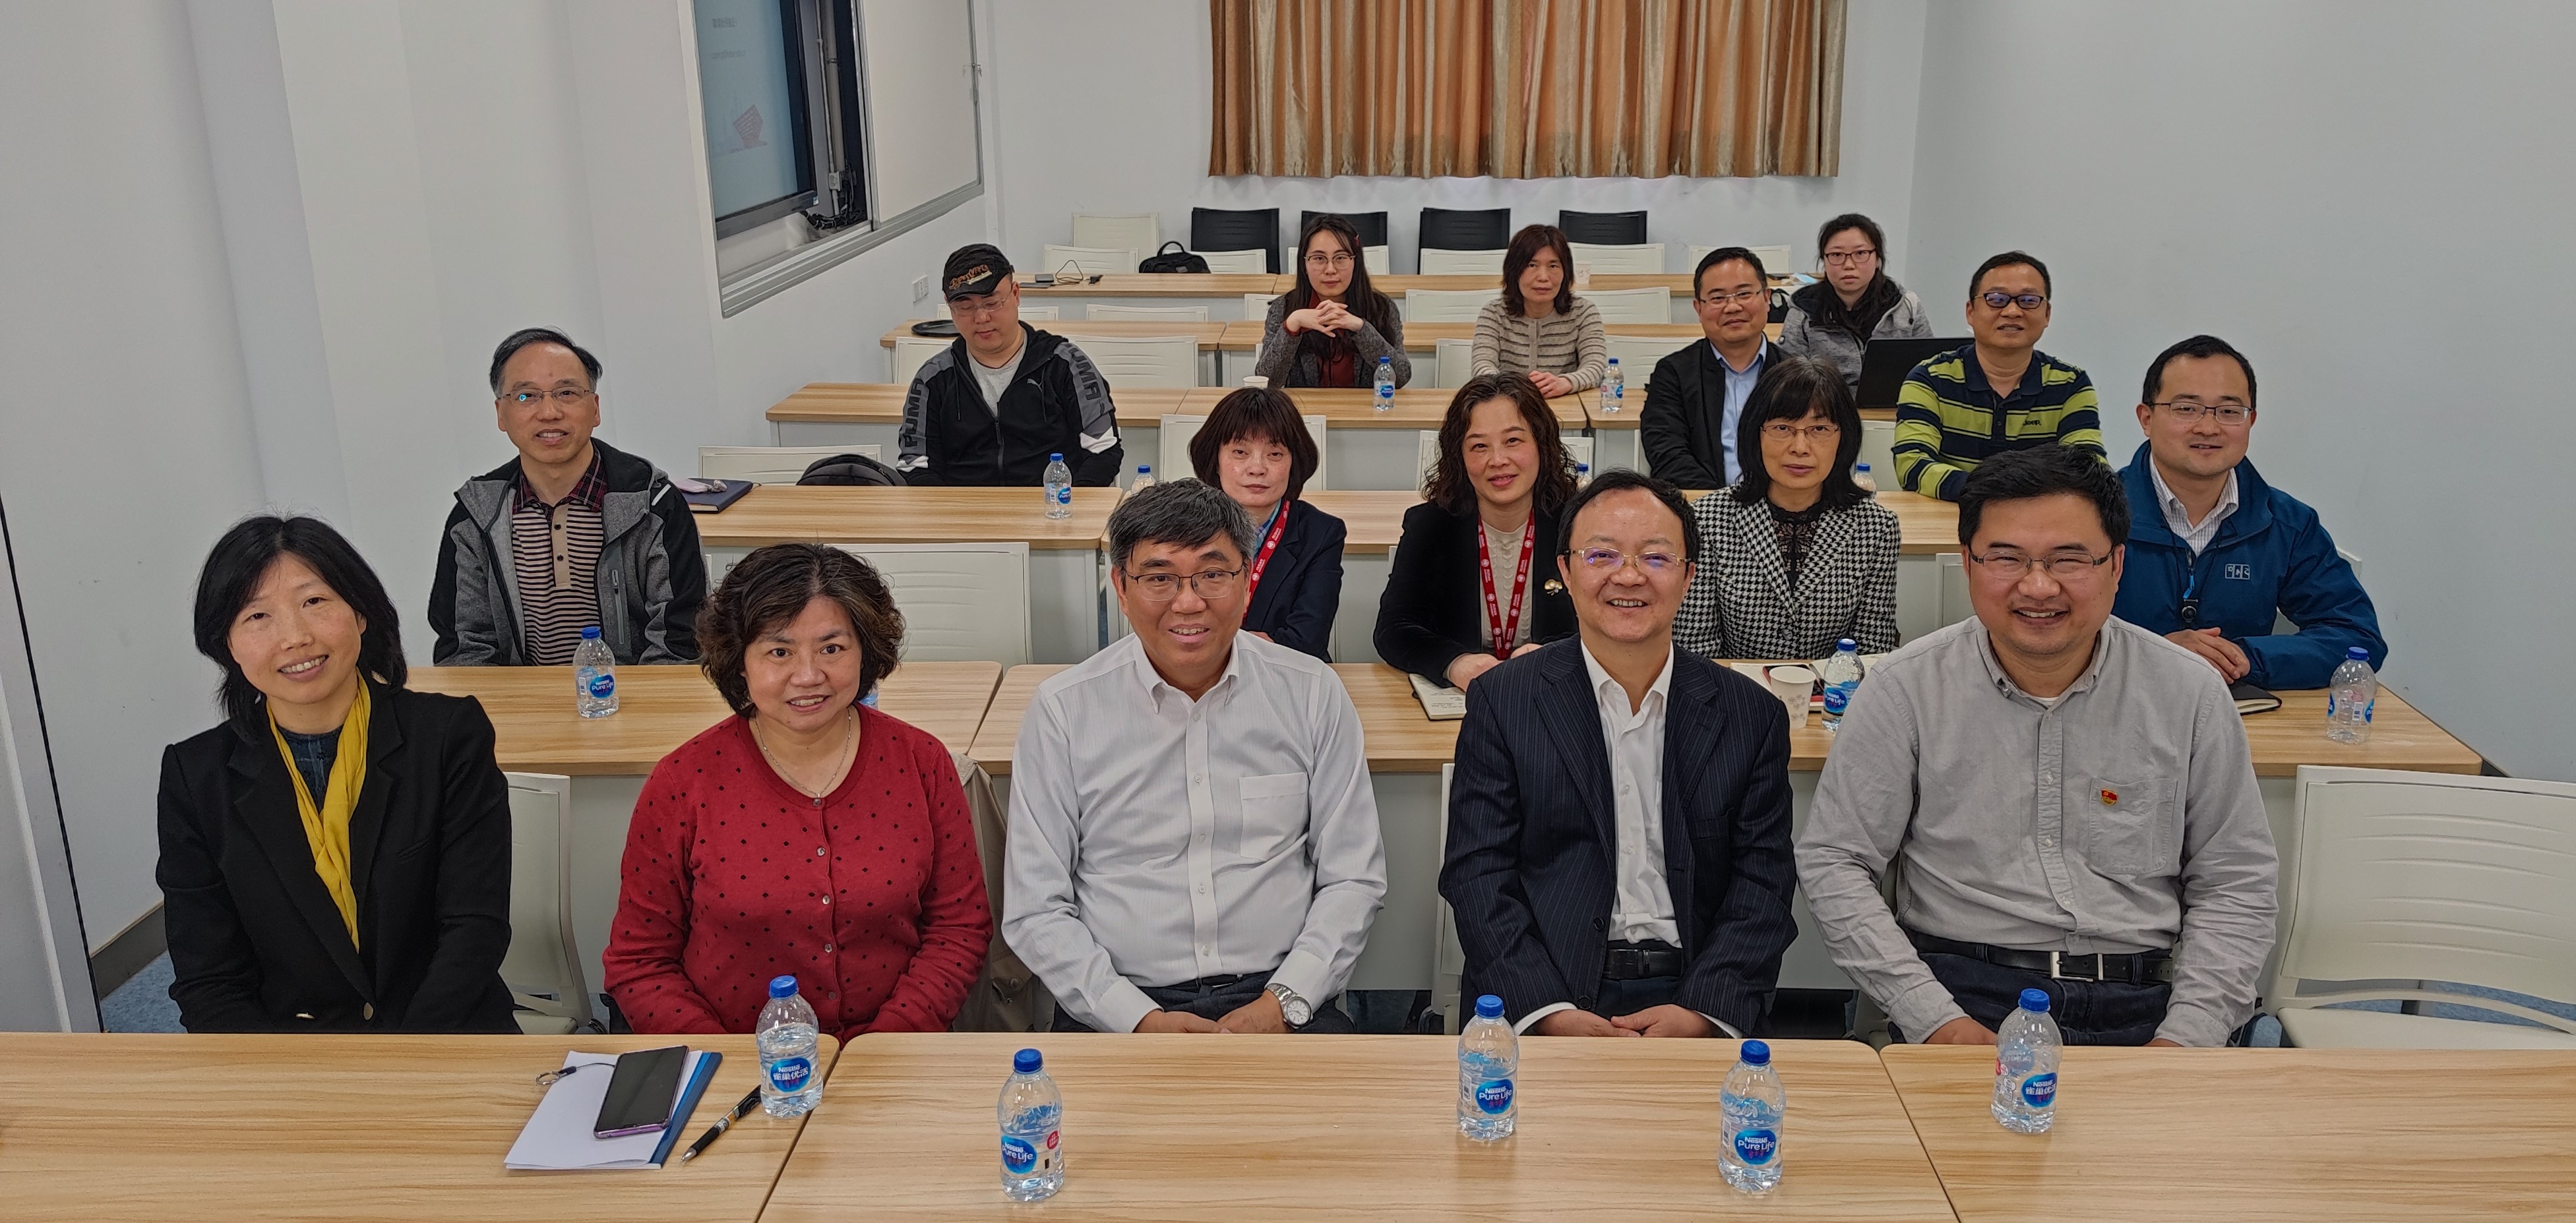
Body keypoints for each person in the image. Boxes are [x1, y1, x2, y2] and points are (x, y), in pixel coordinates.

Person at [1797, 446, 2277, 1047]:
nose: (2039, 585)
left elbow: (2236, 881)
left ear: (2117, 564)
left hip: (2147, 1003)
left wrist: (2188, 1036)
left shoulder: (2189, 692)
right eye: (2006, 557)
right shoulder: (1904, 689)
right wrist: (1934, 1019)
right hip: (1964, 993)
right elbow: (1836, 861)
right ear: (1968, 562)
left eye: (2069, 559)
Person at [1004, 481, 1386, 1034]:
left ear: (1246, 579)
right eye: (1159, 578)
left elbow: (1353, 878)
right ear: (1121, 586)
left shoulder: (1311, 692)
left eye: (1212, 574)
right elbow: (1037, 906)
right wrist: (1137, 1018)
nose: (1188, 601)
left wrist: (1283, 1002)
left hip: (1280, 992)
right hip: (1119, 1003)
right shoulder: (1064, 710)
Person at [1442, 471, 1798, 1037]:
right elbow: (1478, 874)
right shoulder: (1504, 700)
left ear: (1689, 576)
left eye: (1656, 557)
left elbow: (1764, 884)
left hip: (1695, 990)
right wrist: (1547, 1011)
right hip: (1545, 990)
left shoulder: (1751, 714)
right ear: (1565, 571)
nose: (1628, 576)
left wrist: (1703, 1012)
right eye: (1601, 554)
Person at [604, 544, 991, 1040]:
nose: (808, 676)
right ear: (739, 661)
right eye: (779, 652)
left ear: (866, 651)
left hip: (895, 1057)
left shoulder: (922, 761)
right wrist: (727, 1062)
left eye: (832, 649)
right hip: (732, 1060)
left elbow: (959, 929)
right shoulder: (682, 781)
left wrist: (885, 1047)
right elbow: (639, 961)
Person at [158, 516, 514, 1032]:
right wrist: (291, 1075)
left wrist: (407, 1059)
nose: (295, 637)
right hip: (292, 1055)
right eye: (257, 615)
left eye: (314, 601)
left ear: (361, 612)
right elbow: (208, 979)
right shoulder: (196, 777)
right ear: (227, 644)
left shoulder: (448, 736)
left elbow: (474, 928)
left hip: (447, 1036)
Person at [2113, 335, 2386, 690]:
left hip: (2236, 711)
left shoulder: (2288, 524)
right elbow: (2047, 628)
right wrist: (2153, 653)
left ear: (2251, 421)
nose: (2208, 427)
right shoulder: (2091, 515)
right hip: (2114, 701)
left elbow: (2357, 637)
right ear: (2146, 419)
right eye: (2186, 408)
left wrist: (2244, 658)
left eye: (2229, 411)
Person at [431, 327, 707, 665]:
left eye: (566, 393)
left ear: (595, 409)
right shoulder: (475, 517)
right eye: (526, 396)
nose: (549, 412)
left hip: (635, 694)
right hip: (519, 698)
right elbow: (464, 647)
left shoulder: (654, 504)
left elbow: (681, 639)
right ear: (501, 414)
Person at [1676, 355, 1901, 660]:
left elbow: (1872, 650)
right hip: (1733, 688)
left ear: (1844, 438)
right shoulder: (1707, 520)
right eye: (1783, 428)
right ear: (1755, 434)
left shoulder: (1876, 527)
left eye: (1819, 429)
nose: (1800, 448)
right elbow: (1697, 649)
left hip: (1833, 690)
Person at [1374, 374, 1580, 688]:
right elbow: (1393, 629)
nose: (1497, 460)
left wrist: (1553, 657)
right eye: (1479, 446)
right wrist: (1454, 663)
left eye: (1513, 441)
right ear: (1459, 456)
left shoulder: (1579, 525)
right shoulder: (1430, 525)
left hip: (1554, 689)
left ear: (1542, 444)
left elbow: (1609, 625)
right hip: (1464, 698)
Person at [896, 243, 1124, 486]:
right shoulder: (932, 379)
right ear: (949, 307)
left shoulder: (1066, 365)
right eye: (965, 307)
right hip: (963, 505)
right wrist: (950, 508)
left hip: (1054, 502)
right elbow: (916, 465)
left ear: (1016, 294)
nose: (981, 317)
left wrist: (1069, 503)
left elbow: (1103, 450)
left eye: (992, 303)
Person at [1892, 251, 2104, 502]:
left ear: (2047, 314)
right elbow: (1913, 465)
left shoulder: (2071, 385)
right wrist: (1997, 493)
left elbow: (2091, 471)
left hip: (2038, 522)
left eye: (2028, 300)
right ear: (1971, 312)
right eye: (1996, 299)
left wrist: (2000, 494)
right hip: (1952, 517)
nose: (2012, 311)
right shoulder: (1929, 379)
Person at [1186, 385, 1346, 661]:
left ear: (1294, 463)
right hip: (1197, 674)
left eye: (1275, 454)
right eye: (1240, 452)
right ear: (1215, 460)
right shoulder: (1183, 528)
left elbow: (1307, 640)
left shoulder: (1321, 533)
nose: (1257, 468)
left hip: (1286, 675)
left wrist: (1220, 644)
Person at [1641, 247, 1785, 487]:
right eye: (1718, 298)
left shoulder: (1794, 374)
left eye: (1744, 294)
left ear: (1767, 298)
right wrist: (1718, 504)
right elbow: (1667, 454)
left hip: (1779, 504)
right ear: (1698, 309)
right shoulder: (1674, 374)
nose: (1732, 307)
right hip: (1700, 503)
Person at [1255, 214, 1411, 390]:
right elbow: (1267, 382)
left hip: (1366, 407)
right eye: (1319, 259)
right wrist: (1292, 326)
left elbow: (1401, 377)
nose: (1330, 270)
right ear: (1304, 265)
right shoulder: (1284, 308)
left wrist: (1361, 328)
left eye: (1341, 258)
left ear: (1355, 262)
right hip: (1304, 407)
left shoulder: (1381, 307)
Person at [1777, 213, 1932, 388]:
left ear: (1878, 259)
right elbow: (1788, 380)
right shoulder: (1803, 312)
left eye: (1860, 253)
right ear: (1824, 261)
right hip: (1827, 403)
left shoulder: (1908, 306)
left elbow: (1929, 370)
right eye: (1837, 255)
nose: (1849, 265)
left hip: (1896, 402)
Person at [1471, 224, 1606, 398]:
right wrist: (1513, 388)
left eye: (1553, 266)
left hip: (1564, 404)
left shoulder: (1584, 312)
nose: (1543, 277)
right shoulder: (1494, 313)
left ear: (1566, 273)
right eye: (1532, 265)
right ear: (1514, 271)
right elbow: (1482, 367)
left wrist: (1565, 382)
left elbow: (1596, 366)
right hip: (1509, 404)